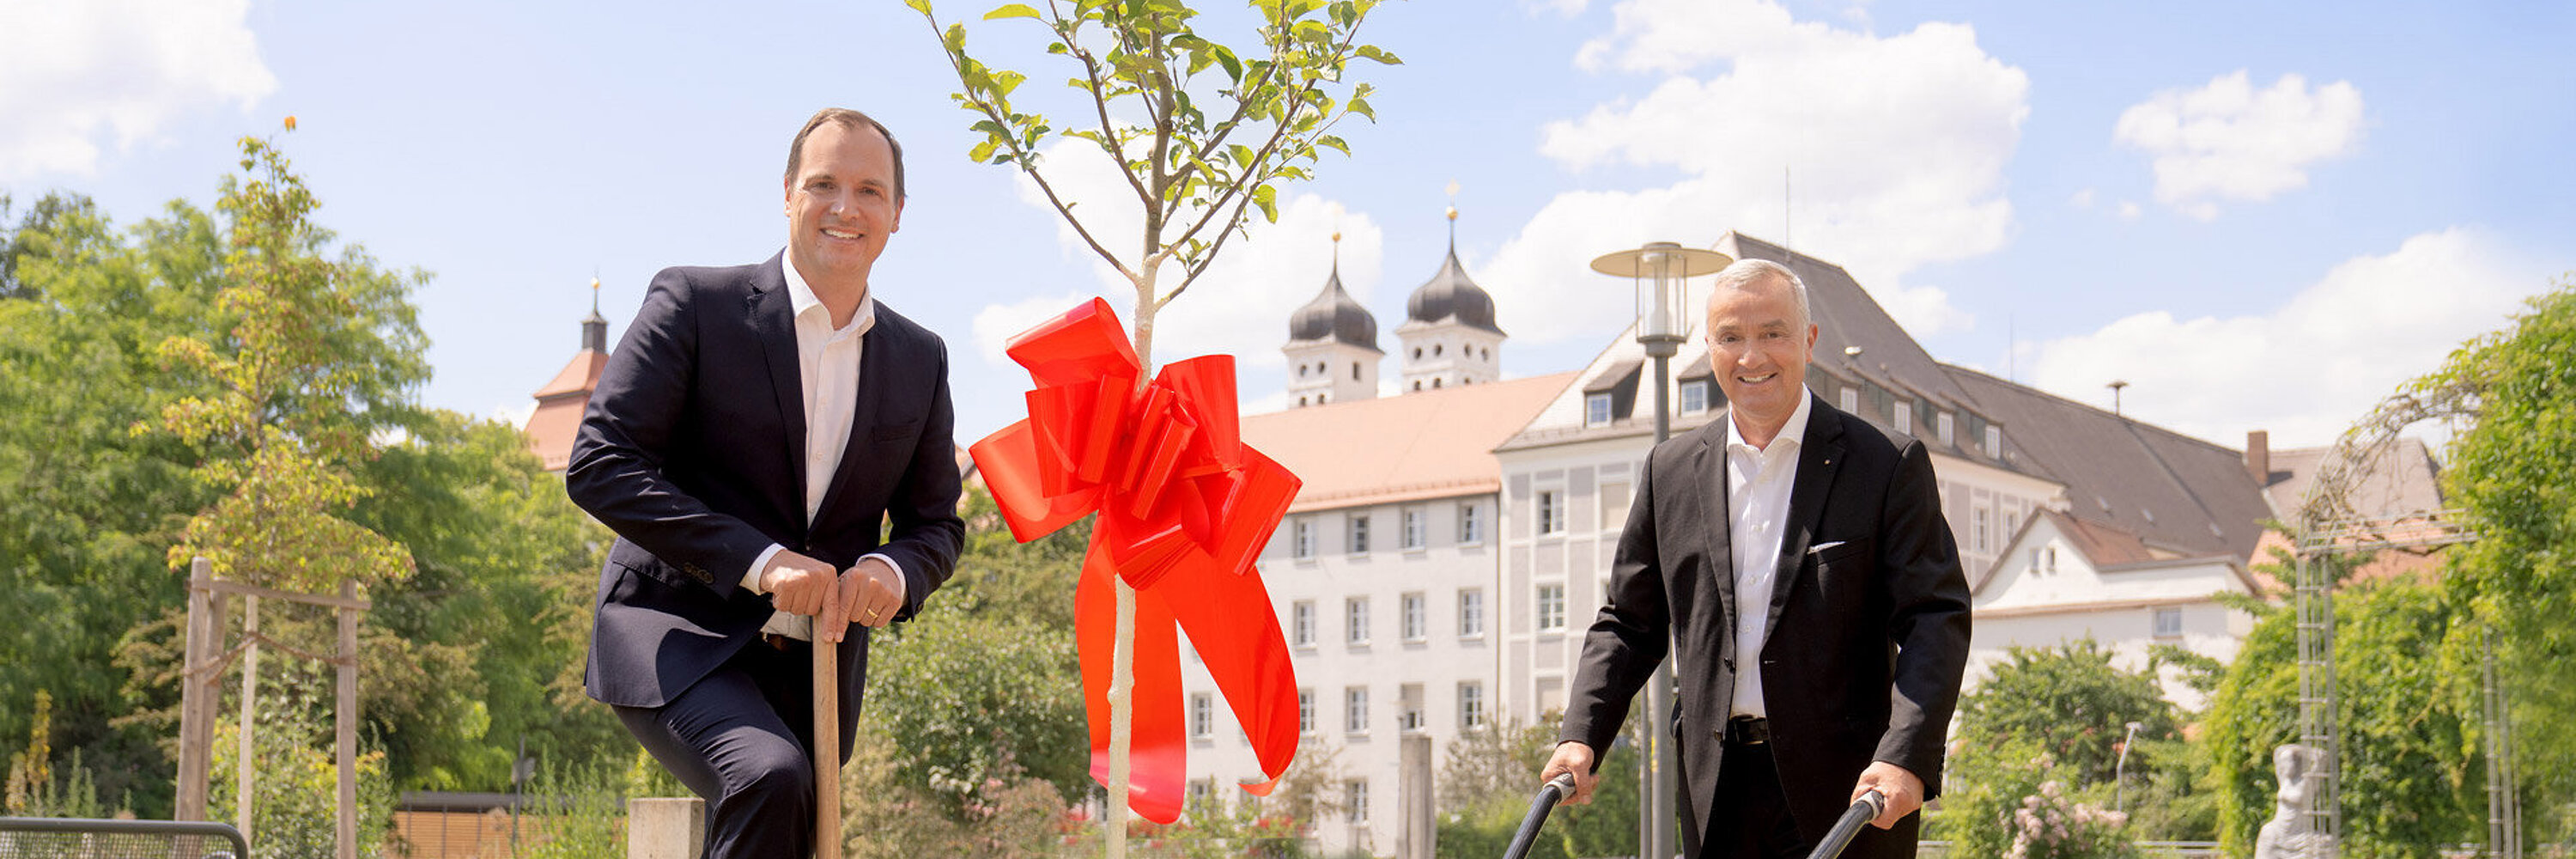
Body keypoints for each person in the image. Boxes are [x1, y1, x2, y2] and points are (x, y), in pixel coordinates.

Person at [568, 107, 964, 858]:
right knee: (770, 777)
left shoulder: (922, 358)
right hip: (675, 633)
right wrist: (761, 560)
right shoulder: (694, 304)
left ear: (897, 214)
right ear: (787, 194)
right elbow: (600, 464)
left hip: (815, 667)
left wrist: (890, 569)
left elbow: (936, 526)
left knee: (798, 806)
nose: (846, 208)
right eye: (824, 185)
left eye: (870, 191)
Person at [1542, 258, 1970, 859]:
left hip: (1850, 795)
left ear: (1809, 342)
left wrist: (1905, 756)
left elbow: (1935, 619)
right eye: (1732, 337)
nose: (1752, 357)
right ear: (1710, 347)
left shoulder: (1885, 466)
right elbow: (1629, 622)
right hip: (1716, 792)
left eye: (1773, 333)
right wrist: (1581, 736)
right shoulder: (1670, 471)